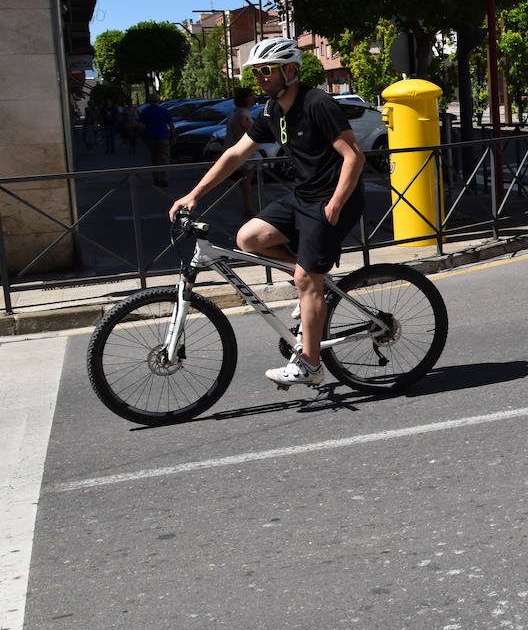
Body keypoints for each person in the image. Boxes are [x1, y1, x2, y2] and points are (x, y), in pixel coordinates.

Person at [169, 37, 366, 387]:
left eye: (265, 71)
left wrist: (335, 204)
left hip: (335, 200)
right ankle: (312, 285)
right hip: (304, 196)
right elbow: (235, 154)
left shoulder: (317, 103)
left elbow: (354, 156)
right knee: (248, 237)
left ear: (289, 71)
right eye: (255, 72)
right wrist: (194, 194)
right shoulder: (272, 111)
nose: (258, 78)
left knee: (307, 279)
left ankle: (311, 365)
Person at [226, 87, 258, 217]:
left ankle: (248, 207)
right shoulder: (243, 113)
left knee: (245, 182)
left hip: (239, 151)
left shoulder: (237, 112)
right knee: (246, 182)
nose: (254, 97)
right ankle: (248, 208)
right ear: (244, 98)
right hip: (244, 153)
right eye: (251, 95)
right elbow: (249, 129)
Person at [137, 92, 175, 188]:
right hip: (163, 138)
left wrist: (143, 138)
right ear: (158, 100)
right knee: (165, 158)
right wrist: (173, 136)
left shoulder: (145, 111)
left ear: (149, 101)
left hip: (151, 138)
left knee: (154, 159)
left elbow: (141, 126)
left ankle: (157, 179)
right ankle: (164, 178)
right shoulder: (163, 110)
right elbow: (171, 124)